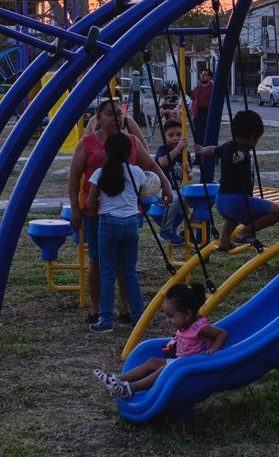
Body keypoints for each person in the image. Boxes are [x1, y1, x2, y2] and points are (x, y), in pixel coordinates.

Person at [68, 97, 173, 329]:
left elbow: (153, 166)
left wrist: (166, 185)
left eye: (119, 113)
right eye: (110, 114)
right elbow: (74, 175)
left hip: (125, 214)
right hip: (95, 214)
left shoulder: (131, 142)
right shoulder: (87, 144)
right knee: (97, 260)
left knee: (123, 265)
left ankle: (125, 308)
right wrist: (76, 208)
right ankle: (98, 309)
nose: (115, 119)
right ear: (99, 117)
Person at [91, 283, 227, 399]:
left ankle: (131, 389)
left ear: (187, 314)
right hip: (181, 364)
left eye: (171, 316)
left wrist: (214, 351)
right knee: (153, 362)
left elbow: (222, 334)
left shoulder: (200, 328)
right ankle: (119, 380)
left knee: (163, 369)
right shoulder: (185, 324)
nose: (168, 320)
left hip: (192, 367)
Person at [85, 131, 154, 332]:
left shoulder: (100, 173)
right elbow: (144, 191)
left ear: (107, 151)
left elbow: (90, 203)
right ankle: (138, 317)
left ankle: (106, 321)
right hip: (131, 223)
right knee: (130, 272)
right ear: (130, 151)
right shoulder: (137, 173)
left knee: (107, 274)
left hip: (108, 224)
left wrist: (102, 203)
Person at [190, 108, 279, 253]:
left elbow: (212, 150)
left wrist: (201, 150)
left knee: (232, 218)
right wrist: (239, 157)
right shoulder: (243, 150)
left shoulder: (226, 146)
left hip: (221, 201)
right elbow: (241, 154)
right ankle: (245, 232)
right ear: (253, 136)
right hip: (238, 201)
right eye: (258, 139)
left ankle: (224, 241)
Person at [154, 119, 189, 244]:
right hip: (163, 191)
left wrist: (188, 172)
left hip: (179, 189)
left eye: (179, 134)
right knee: (175, 198)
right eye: (171, 135)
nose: (175, 138)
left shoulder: (185, 154)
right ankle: (165, 230)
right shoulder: (163, 149)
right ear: (165, 136)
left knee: (198, 200)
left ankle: (190, 227)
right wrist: (178, 149)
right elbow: (162, 162)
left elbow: (186, 178)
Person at [190, 67, 215, 146]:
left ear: (210, 77)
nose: (202, 76)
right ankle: (198, 157)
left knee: (207, 137)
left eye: (205, 75)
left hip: (208, 115)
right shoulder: (198, 88)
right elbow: (193, 100)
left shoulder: (213, 88)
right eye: (202, 74)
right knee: (197, 138)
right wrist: (193, 113)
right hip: (198, 115)